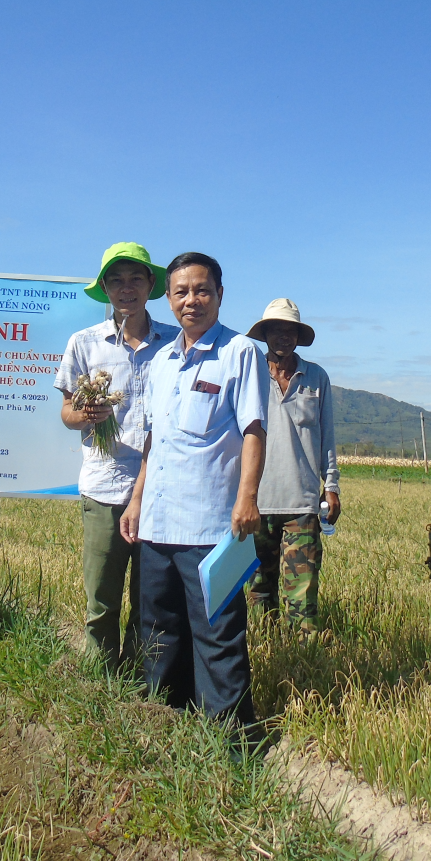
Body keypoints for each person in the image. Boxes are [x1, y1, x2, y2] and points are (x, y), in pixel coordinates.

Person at [119, 253, 269, 729]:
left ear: (220, 295)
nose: (192, 300)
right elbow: (153, 441)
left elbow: (253, 431)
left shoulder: (241, 353)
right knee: (159, 633)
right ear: (168, 298)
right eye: (181, 292)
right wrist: (137, 499)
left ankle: (230, 742)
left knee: (218, 635)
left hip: (211, 528)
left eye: (202, 290)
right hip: (158, 525)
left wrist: (247, 498)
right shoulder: (161, 361)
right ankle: (167, 725)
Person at [54, 242, 179, 668]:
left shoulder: (175, 345)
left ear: (150, 286)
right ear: (105, 288)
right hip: (105, 486)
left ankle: (142, 680)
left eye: (135, 279)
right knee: (102, 600)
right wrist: (86, 413)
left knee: (151, 600)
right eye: (117, 280)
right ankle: (100, 680)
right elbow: (67, 414)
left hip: (161, 490)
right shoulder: (84, 343)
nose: (126, 288)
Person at [244, 299, 339, 635]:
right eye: (276, 330)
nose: (283, 336)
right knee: (258, 589)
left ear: (298, 336)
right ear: (265, 334)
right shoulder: (250, 373)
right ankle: (264, 652)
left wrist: (332, 486)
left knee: (303, 594)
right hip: (255, 500)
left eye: (290, 331)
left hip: (302, 501)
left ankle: (305, 661)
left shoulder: (316, 377)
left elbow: (327, 435)